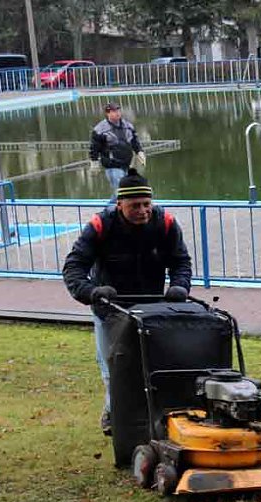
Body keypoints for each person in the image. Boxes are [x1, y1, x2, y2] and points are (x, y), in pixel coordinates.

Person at [63, 168, 192, 435]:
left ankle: (156, 416)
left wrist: (179, 286)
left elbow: (181, 261)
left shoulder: (165, 223)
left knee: (156, 365)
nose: (143, 210)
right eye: (135, 205)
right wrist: (91, 292)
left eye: (147, 204)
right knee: (115, 367)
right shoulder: (100, 226)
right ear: (119, 204)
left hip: (152, 306)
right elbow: (73, 267)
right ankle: (115, 415)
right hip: (110, 309)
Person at [89, 102, 146, 199]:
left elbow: (134, 141)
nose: (117, 113)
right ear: (108, 113)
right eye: (114, 111)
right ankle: (111, 211)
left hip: (127, 164)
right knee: (121, 191)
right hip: (112, 166)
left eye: (118, 110)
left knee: (124, 191)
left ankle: (110, 210)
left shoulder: (127, 125)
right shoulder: (100, 129)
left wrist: (139, 152)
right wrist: (94, 162)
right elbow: (94, 147)